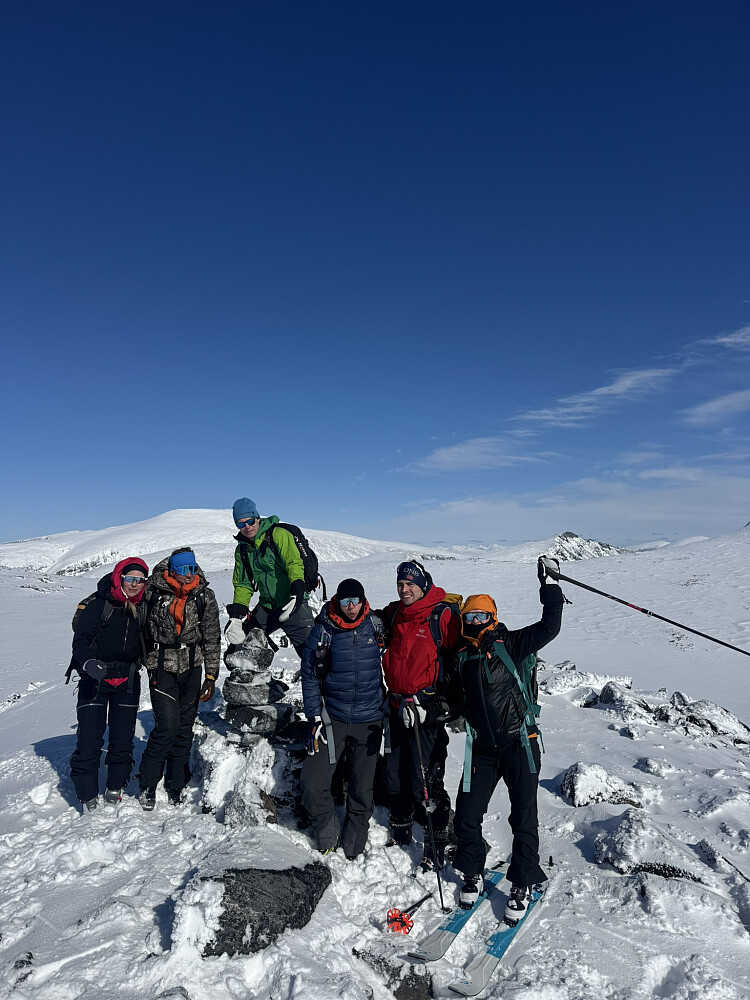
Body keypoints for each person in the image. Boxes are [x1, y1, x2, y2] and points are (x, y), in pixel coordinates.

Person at [450, 555, 565, 918]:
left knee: (523, 816)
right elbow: (453, 700)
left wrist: (550, 588)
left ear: (493, 617)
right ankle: (472, 872)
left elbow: (549, 627)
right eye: (470, 617)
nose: (475, 622)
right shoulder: (461, 659)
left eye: (482, 616)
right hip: (481, 749)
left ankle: (522, 881)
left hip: (520, 744)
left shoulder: (513, 644)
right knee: (467, 814)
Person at [377, 561, 461, 870]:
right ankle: (400, 832)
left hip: (425, 713)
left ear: (423, 585)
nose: (404, 588)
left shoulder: (443, 617)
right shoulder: (396, 613)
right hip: (397, 707)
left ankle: (437, 842)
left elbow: (459, 665)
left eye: (410, 583)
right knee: (395, 776)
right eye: (400, 583)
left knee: (426, 782)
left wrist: (437, 707)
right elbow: (368, 616)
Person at [300, 578, 386, 859]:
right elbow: (310, 675)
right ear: (338, 600)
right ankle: (327, 833)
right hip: (332, 718)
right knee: (313, 782)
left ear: (363, 601)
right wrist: (313, 715)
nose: (351, 607)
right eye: (346, 601)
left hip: (371, 719)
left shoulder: (376, 626)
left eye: (356, 601)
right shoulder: (323, 630)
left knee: (362, 788)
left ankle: (353, 844)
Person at [138, 548, 220, 810]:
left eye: (192, 569)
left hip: (192, 668)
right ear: (172, 570)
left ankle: (176, 784)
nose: (188, 575)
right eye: (183, 569)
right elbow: (131, 612)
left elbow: (211, 636)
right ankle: (148, 784)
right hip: (162, 666)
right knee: (167, 728)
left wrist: (211, 674)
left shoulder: (204, 596)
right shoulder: (153, 592)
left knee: (184, 729)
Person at [69, 557, 150, 811]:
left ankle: (115, 785)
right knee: (90, 738)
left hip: (127, 679)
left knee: (122, 737)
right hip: (95, 679)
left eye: (140, 580)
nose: (135, 584)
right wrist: (88, 663)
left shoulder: (145, 606)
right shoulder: (99, 604)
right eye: (130, 578)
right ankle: (87, 793)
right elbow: (81, 641)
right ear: (120, 577)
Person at [224, 498, 315, 656]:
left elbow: (293, 563)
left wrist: (298, 589)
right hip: (267, 607)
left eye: (250, 521)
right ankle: (254, 680)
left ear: (257, 518)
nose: (246, 527)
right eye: (240, 524)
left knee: (313, 659)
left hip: (293, 604)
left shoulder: (278, 535)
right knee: (237, 652)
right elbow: (243, 584)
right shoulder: (242, 550)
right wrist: (237, 615)